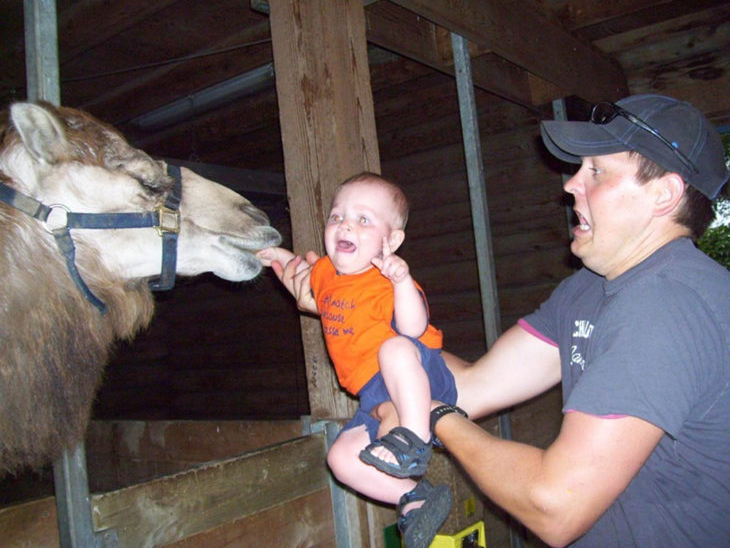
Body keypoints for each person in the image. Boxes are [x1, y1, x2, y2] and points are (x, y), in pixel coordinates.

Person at [276, 95, 730, 547]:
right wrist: (351, 309)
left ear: (664, 195)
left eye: (596, 171)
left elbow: (556, 505)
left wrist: (429, 415)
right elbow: (473, 386)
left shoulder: (668, 304)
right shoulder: (588, 290)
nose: (571, 184)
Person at [257, 172, 458, 548]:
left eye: (363, 219)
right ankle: (413, 498)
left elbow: (414, 328)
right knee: (341, 459)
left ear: (392, 240)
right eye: (337, 217)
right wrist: (274, 256)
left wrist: (401, 281)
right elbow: (299, 269)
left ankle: (412, 437)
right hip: (370, 392)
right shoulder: (324, 274)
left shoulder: (386, 279)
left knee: (394, 347)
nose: (345, 224)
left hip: (416, 373)